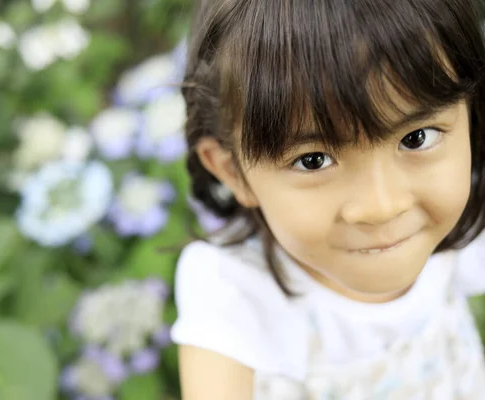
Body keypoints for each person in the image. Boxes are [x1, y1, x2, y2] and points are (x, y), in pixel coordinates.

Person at [170, 0, 485, 398]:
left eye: (416, 138)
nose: (381, 206)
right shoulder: (233, 291)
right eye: (313, 160)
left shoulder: (461, 225)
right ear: (233, 172)